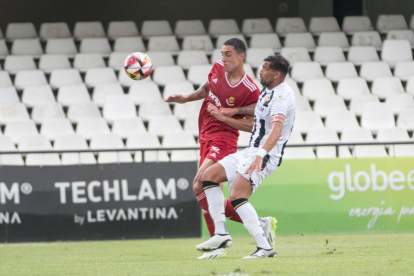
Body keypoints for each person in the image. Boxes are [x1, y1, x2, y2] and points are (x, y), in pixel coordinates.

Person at [165, 38, 277, 259]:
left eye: (228, 54)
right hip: (205, 136)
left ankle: (221, 239)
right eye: (222, 53)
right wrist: (187, 98)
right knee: (203, 188)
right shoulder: (217, 68)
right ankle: (257, 225)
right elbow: (208, 87)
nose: (223, 58)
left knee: (199, 182)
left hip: (223, 140)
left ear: (241, 56)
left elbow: (256, 122)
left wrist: (229, 114)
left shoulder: (250, 89)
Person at [195, 54, 295, 258]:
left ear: (276, 74)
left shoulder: (281, 98)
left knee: (237, 195)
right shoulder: (269, 90)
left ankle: (265, 247)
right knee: (208, 177)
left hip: (265, 153)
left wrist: (260, 155)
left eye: (265, 68)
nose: (260, 71)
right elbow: (256, 116)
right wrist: (230, 112)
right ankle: (221, 233)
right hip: (251, 150)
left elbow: (276, 131)